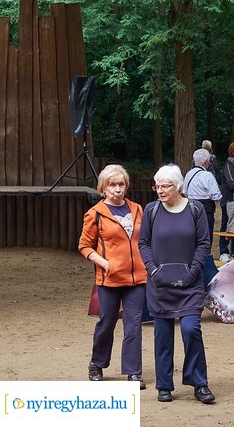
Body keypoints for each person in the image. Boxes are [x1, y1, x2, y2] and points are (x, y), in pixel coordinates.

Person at [138, 164, 215, 403]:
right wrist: (152, 269)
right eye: (157, 186)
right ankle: (164, 385)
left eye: (165, 186)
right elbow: (144, 243)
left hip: (190, 284)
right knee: (162, 336)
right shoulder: (151, 210)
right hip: (160, 284)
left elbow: (204, 243)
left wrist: (194, 271)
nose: (160, 190)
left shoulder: (196, 209)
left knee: (191, 330)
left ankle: (199, 383)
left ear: (178, 186)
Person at [79, 164, 146, 388]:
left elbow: (144, 239)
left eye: (121, 184)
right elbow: (85, 246)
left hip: (137, 279)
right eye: (113, 185)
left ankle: (133, 371)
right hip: (109, 279)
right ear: (103, 188)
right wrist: (105, 263)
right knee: (107, 322)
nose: (118, 189)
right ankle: (97, 363)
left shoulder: (137, 209)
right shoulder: (95, 213)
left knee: (134, 324)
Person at [183, 148, 222, 244]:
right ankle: (204, 258)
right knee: (205, 238)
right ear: (205, 162)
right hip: (205, 210)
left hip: (190, 208)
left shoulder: (188, 174)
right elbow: (216, 196)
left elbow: (185, 192)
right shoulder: (207, 175)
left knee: (192, 237)